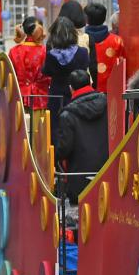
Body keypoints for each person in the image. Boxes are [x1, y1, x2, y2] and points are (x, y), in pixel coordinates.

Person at [55, 70, 108, 206]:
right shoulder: (108, 104)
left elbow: (63, 149)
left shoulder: (67, 115)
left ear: (71, 88)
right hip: (107, 178)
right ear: (90, 82)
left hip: (79, 182)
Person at [42, 16, 91, 132]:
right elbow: (85, 69)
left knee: (56, 128)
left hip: (56, 95)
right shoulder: (82, 52)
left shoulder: (51, 55)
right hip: (77, 96)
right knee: (76, 128)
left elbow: (46, 71)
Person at [9, 16, 50, 110]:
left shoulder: (13, 51)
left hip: (19, 99)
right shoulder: (45, 51)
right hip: (41, 99)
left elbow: (10, 77)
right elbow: (49, 77)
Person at [85, 4, 125, 92]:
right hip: (111, 90)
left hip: (87, 91)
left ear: (86, 19)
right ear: (104, 17)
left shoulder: (81, 41)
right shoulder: (117, 41)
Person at [58, 0, 98, 89]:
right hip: (83, 84)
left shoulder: (55, 38)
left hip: (60, 85)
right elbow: (93, 66)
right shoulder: (87, 38)